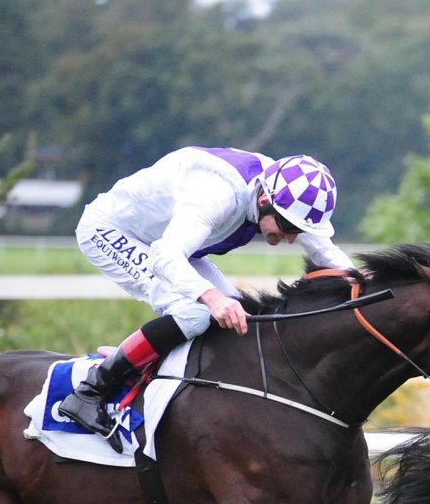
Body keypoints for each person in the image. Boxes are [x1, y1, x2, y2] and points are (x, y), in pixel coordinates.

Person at [58, 146, 356, 449]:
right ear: (264, 201)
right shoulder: (219, 196)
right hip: (115, 232)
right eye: (289, 228)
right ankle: (91, 392)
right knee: (196, 312)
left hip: (171, 242)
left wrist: (362, 281)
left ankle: (147, 362)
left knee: (242, 317)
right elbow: (166, 256)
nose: (292, 239)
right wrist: (212, 298)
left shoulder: (280, 192)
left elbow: (325, 251)